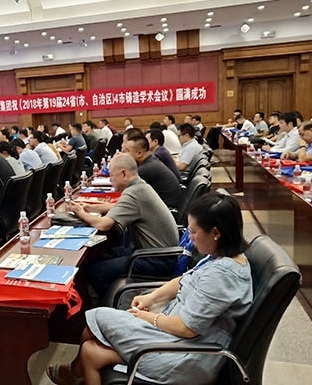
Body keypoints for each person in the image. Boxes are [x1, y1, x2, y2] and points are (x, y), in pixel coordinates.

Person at [49, 192, 253, 385]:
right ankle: (75, 373)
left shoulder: (222, 276)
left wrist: (148, 318)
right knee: (90, 351)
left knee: (97, 317)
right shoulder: (220, 256)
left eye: (193, 232)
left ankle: (74, 373)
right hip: (178, 339)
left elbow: (187, 328)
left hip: (188, 356)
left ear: (216, 233)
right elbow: (183, 280)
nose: (190, 238)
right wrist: (151, 298)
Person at [68, 154, 178, 297]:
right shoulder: (140, 186)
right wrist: (90, 207)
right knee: (103, 254)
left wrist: (81, 213)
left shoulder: (134, 193)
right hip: (156, 253)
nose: (110, 180)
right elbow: (116, 207)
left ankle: (111, 302)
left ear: (124, 173)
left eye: (112, 175)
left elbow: (103, 225)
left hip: (156, 260)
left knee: (95, 272)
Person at [122, 136, 182, 208]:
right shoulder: (151, 161)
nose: (123, 154)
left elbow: (124, 188)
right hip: (166, 204)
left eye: (126, 151)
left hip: (166, 208)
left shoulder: (146, 169)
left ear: (139, 153)